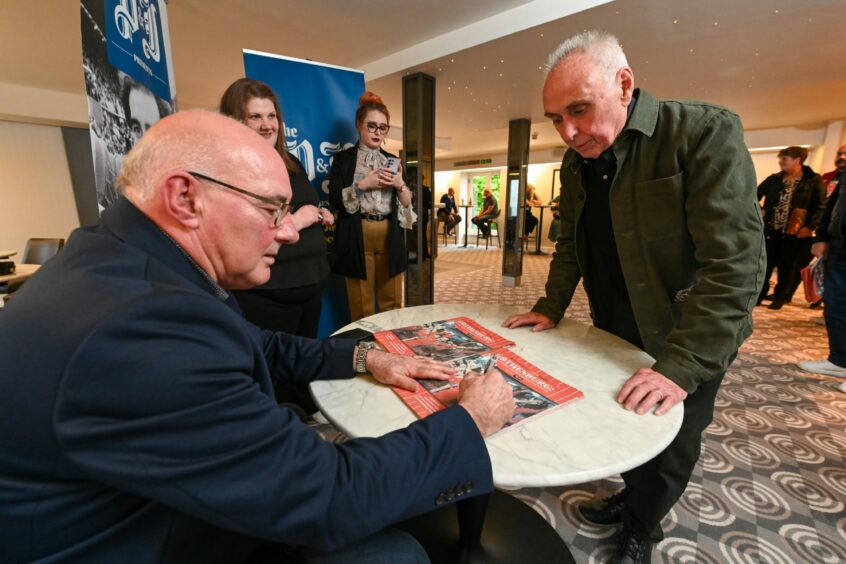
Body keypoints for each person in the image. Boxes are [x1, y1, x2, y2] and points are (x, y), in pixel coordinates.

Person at [0, 110, 517, 563]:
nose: (290, 231)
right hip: (143, 538)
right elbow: (327, 496)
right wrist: (468, 422)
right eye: (271, 210)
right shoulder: (138, 331)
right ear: (186, 197)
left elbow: (259, 345)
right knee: (396, 553)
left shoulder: (125, 258)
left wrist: (367, 357)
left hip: (147, 504)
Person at [502, 31, 764, 563]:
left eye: (578, 109)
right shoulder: (578, 164)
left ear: (624, 85)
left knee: (673, 438)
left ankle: (644, 523)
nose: (568, 132)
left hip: (691, 329)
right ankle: (632, 495)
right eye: (556, 118)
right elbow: (571, 242)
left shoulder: (702, 132)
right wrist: (550, 306)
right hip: (617, 319)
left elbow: (736, 268)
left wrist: (682, 365)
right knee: (627, 422)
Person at [219, 78, 333, 411]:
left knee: (303, 362)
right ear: (236, 121)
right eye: (256, 117)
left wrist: (316, 213)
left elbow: (301, 205)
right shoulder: (231, 171)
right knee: (272, 372)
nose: (267, 125)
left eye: (271, 116)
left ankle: (304, 414)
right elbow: (248, 233)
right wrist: (298, 220)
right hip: (268, 295)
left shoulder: (291, 163)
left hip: (310, 285)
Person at [329, 92, 416, 322]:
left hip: (391, 234)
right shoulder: (344, 160)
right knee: (361, 302)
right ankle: (366, 352)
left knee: (393, 301)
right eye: (372, 126)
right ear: (359, 125)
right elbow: (335, 200)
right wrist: (363, 185)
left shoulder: (393, 161)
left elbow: (407, 204)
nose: (378, 132)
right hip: (357, 233)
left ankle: (392, 347)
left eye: (383, 128)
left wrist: (399, 184)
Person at [756, 146, 826, 309]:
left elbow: (821, 206)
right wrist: (761, 209)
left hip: (795, 232)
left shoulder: (813, 180)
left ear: (797, 160)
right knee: (765, 263)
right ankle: (759, 294)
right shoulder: (775, 179)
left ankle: (781, 296)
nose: (780, 162)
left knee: (787, 265)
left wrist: (810, 226)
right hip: (771, 229)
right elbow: (753, 194)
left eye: (784, 159)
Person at [798, 166, 846, 386]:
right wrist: (822, 236)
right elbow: (833, 205)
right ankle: (840, 360)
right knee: (835, 305)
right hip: (839, 246)